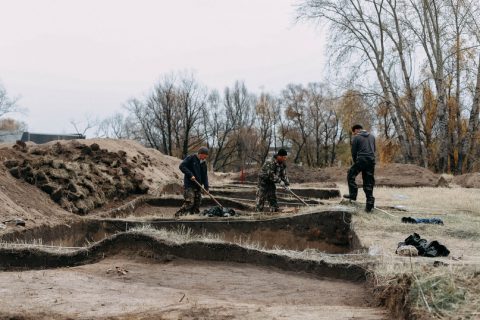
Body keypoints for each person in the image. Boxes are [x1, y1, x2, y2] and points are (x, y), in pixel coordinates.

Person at [343, 124, 376, 212]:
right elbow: (374, 149)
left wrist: (355, 161)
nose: (354, 134)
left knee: (350, 174)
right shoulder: (372, 136)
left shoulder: (356, 137)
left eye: (354, 133)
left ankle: (353, 195)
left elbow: (354, 152)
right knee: (368, 182)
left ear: (356, 130)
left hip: (362, 159)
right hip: (371, 160)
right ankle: (369, 206)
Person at [175, 146, 209, 217]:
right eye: (204, 157)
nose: (204, 158)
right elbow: (182, 166)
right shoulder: (191, 158)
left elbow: (205, 176)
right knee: (190, 202)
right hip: (189, 185)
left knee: (198, 202)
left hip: (198, 185)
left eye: (206, 157)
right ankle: (178, 215)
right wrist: (190, 175)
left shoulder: (204, 163)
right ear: (200, 154)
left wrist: (206, 188)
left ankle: (193, 217)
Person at [255, 148, 290, 212]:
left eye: (285, 157)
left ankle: (274, 213)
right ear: (279, 156)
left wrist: (287, 184)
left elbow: (283, 174)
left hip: (271, 183)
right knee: (261, 199)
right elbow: (271, 174)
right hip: (263, 182)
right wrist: (280, 181)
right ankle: (258, 214)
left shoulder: (282, 164)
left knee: (272, 199)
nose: (285, 159)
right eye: (284, 157)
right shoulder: (270, 162)